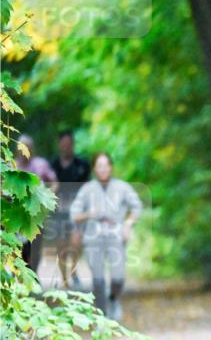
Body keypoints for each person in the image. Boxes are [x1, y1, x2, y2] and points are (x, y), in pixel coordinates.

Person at [70, 152, 142, 321]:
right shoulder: (87, 189)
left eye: (105, 165)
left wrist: (128, 224)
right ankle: (102, 315)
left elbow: (137, 207)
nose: (103, 169)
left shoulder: (122, 187)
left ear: (111, 167)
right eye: (99, 166)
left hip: (115, 235)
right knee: (98, 280)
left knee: (118, 277)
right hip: (93, 237)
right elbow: (75, 214)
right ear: (94, 168)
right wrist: (89, 214)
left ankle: (114, 299)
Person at [50, 130, 91, 289]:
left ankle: (73, 271)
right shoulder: (52, 166)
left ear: (72, 145)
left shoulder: (82, 165)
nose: (66, 147)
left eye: (69, 144)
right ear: (59, 145)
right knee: (61, 246)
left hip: (77, 212)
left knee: (75, 244)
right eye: (63, 144)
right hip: (58, 212)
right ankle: (64, 277)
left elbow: (88, 188)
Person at [14, 134, 58, 273]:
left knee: (35, 245)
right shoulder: (12, 165)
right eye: (21, 147)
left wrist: (47, 196)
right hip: (18, 214)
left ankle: (33, 272)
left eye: (28, 147)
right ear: (17, 149)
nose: (25, 150)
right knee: (19, 246)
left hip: (37, 214)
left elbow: (54, 182)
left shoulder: (41, 164)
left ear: (33, 149)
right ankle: (22, 275)